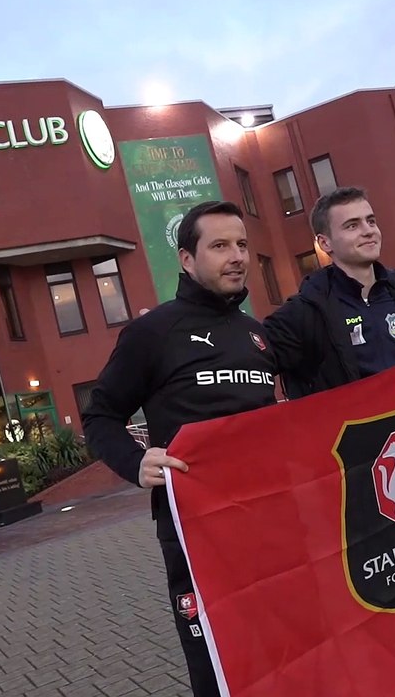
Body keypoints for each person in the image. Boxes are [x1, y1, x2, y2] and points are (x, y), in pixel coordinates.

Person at [82, 200, 278, 697]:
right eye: (220, 246)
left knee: (278, 647)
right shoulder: (152, 333)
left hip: (268, 521)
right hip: (194, 533)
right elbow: (100, 415)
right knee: (216, 660)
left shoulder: (257, 335)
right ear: (187, 259)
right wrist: (135, 462)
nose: (236, 256)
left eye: (241, 245)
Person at [263, 186, 395, 697]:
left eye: (370, 220)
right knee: (374, 612)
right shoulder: (305, 315)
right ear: (324, 243)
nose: (368, 230)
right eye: (352, 225)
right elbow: (247, 366)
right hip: (350, 494)